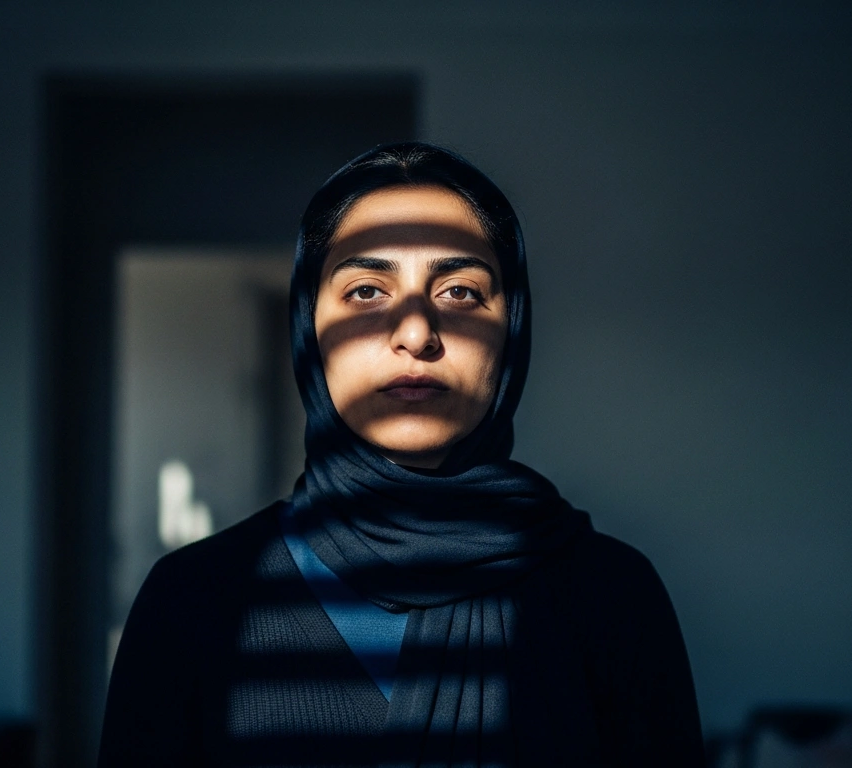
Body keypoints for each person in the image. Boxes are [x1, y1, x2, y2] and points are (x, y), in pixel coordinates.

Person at [98, 142, 705, 766]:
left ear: (512, 328)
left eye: (460, 293)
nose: (415, 332)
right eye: (366, 291)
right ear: (310, 328)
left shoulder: (611, 597)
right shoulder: (192, 602)